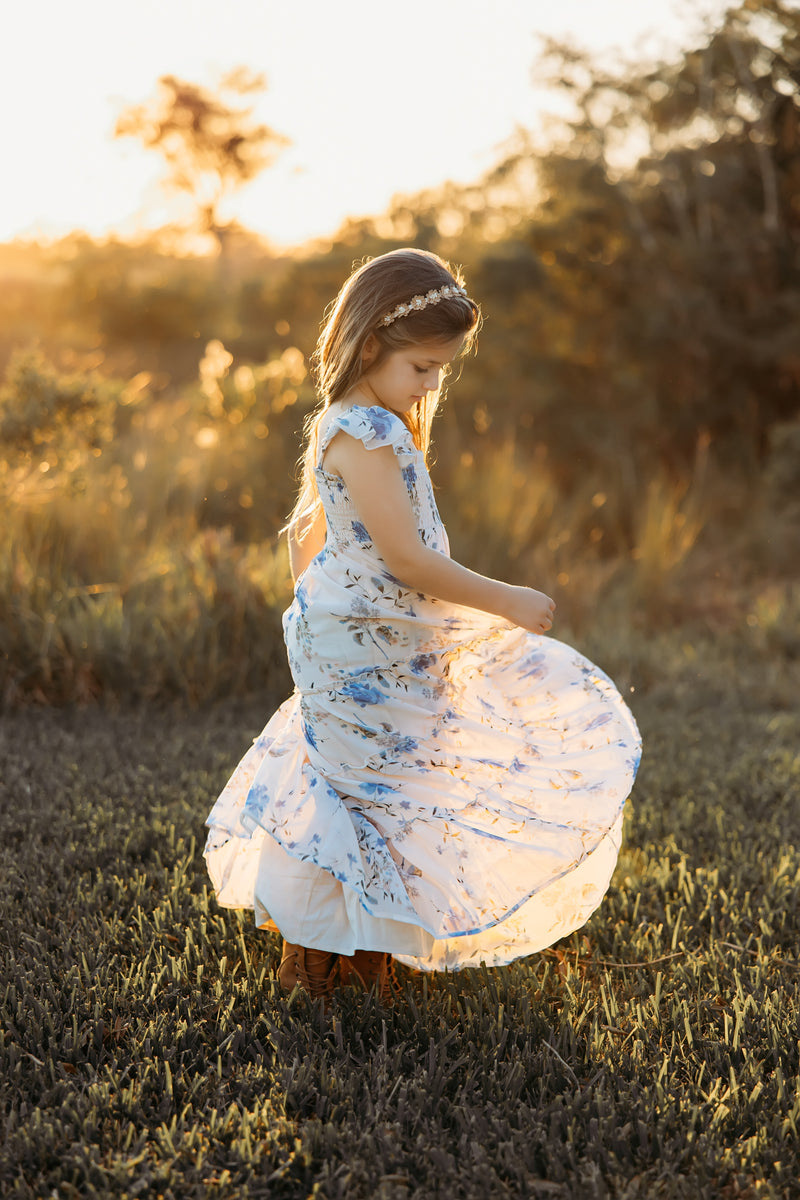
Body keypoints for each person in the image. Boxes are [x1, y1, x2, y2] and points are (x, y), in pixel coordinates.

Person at [204, 247, 641, 1002]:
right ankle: (314, 958)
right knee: (358, 789)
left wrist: (313, 607)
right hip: (368, 638)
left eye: (444, 368)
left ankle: (371, 950)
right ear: (370, 345)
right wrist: (503, 599)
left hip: (382, 635)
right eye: (424, 367)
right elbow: (405, 558)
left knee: (395, 784)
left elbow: (305, 532)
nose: (436, 383)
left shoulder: (363, 423)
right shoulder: (365, 432)